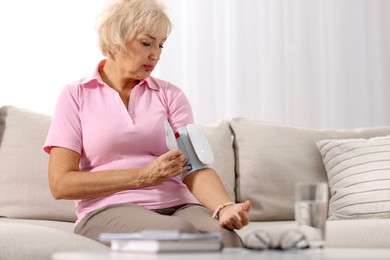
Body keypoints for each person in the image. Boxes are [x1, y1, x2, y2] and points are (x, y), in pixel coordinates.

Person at [43, 0, 251, 248]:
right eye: (146, 43)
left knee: (226, 239)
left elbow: (194, 166)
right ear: (116, 39)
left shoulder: (169, 95)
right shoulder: (76, 95)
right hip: (108, 208)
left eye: (161, 45)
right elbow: (61, 184)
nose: (156, 54)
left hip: (179, 203)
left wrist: (224, 206)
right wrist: (143, 176)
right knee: (178, 235)